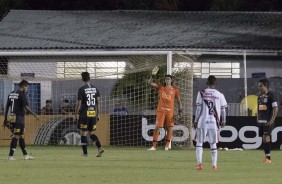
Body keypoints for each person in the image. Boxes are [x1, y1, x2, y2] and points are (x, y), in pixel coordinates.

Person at [194, 75, 227, 171]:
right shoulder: (219, 94)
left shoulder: (201, 93)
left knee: (199, 143)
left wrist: (195, 120)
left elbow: (198, 108)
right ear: (215, 84)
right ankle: (214, 166)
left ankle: (199, 165)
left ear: (207, 83)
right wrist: (223, 120)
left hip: (202, 122)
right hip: (214, 122)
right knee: (213, 144)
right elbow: (223, 109)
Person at [147, 66, 183, 151]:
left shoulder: (175, 90)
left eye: (168, 79)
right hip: (161, 111)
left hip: (170, 112)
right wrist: (152, 75)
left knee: (170, 128)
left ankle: (167, 146)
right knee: (157, 128)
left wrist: (180, 111)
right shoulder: (161, 87)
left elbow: (179, 101)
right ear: (165, 80)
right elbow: (149, 83)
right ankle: (153, 146)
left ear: (171, 80)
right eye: (166, 79)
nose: (167, 80)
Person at [3, 80, 39, 160]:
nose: (27, 89)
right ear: (24, 86)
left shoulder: (11, 93)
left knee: (21, 135)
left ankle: (25, 155)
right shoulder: (22, 94)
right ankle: (11, 156)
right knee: (16, 135)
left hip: (12, 117)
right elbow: (26, 107)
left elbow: (7, 107)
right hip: (19, 117)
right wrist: (35, 114)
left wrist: (5, 118)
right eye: (27, 88)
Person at [75, 72, 104, 157]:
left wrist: (76, 114)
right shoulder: (95, 88)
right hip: (93, 113)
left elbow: (79, 103)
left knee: (83, 133)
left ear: (82, 79)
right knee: (90, 133)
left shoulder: (81, 89)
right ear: (89, 78)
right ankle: (99, 147)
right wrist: (98, 114)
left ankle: (85, 153)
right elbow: (98, 102)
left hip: (84, 113)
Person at [257, 78, 278, 163]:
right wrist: (257, 118)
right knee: (263, 139)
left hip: (268, 121)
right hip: (261, 121)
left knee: (266, 137)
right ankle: (266, 157)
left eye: (261, 86)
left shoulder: (271, 95)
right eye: (259, 86)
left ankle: (268, 158)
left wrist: (271, 120)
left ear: (265, 86)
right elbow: (258, 108)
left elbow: (275, 108)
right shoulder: (259, 96)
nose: (259, 87)